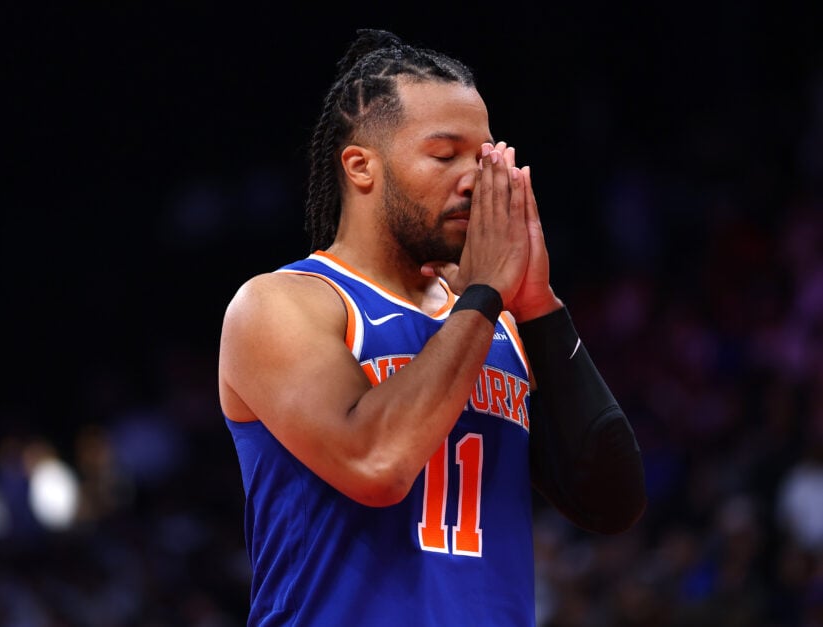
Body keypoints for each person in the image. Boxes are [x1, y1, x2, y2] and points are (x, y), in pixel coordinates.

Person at [218, 28, 646, 626]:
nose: (474, 177)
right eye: (445, 155)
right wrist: (488, 292)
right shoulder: (283, 305)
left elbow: (611, 503)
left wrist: (538, 303)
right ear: (361, 167)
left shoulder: (494, 322)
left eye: (484, 156)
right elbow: (376, 464)